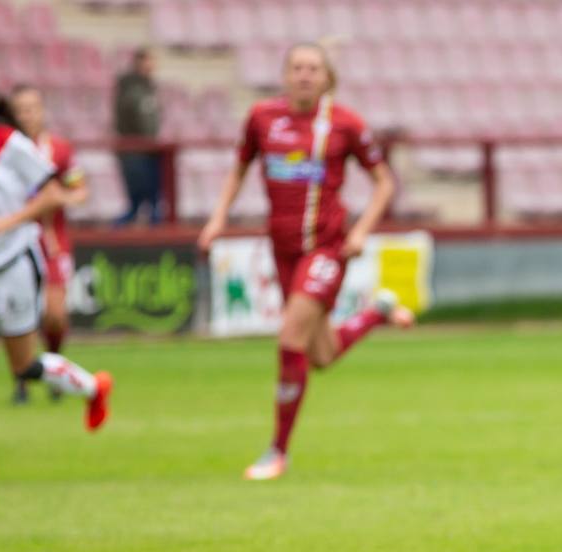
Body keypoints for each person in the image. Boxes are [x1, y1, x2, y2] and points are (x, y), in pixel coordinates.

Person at [197, 43, 406, 482]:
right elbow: (238, 168)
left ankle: (277, 451)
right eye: (297, 68)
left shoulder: (345, 124)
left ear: (327, 78)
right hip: (283, 248)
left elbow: (384, 181)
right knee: (322, 354)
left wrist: (361, 231)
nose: (305, 75)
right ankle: (376, 313)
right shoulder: (262, 118)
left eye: (314, 68)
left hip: (327, 247)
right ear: (285, 75)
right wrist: (217, 219)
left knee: (290, 338)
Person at [0, 69, 113, 488]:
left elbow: (52, 192)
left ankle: (92, 387)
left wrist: (10, 221)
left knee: (25, 365)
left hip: (14, 257)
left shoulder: (10, 143)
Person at [8, 84, 89, 404]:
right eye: (21, 109)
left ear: (42, 110)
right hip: (13, 243)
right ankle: (21, 379)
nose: (27, 114)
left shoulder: (59, 149)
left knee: (54, 315)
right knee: (20, 316)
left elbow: (80, 190)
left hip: (53, 242)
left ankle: (54, 370)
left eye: (32, 107)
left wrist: (60, 198)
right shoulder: (6, 151)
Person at [112, 47, 162, 227]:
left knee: (154, 201)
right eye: (149, 61)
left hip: (147, 149)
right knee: (140, 197)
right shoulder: (132, 88)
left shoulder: (147, 86)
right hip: (136, 149)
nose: (152, 65)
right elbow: (139, 119)